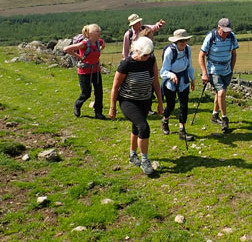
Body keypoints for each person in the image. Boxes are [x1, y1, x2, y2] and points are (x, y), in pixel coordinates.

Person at [109, 37, 164, 175]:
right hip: (128, 101)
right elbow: (115, 87)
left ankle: (132, 155)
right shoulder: (126, 64)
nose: (147, 57)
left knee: (137, 127)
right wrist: (112, 107)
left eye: (149, 54)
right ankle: (145, 161)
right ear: (136, 51)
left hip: (145, 100)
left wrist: (160, 103)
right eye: (144, 55)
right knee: (144, 127)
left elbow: (156, 82)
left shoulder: (151, 60)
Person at [198, 18, 239, 133]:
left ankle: (215, 115)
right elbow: (201, 55)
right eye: (224, 31)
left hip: (226, 70)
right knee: (221, 92)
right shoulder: (211, 37)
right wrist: (204, 73)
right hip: (214, 70)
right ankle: (225, 118)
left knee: (219, 93)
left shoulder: (232, 37)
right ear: (218, 28)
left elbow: (234, 53)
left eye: (228, 31)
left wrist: (231, 68)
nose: (226, 34)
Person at [63, 24, 106, 119]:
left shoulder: (99, 42)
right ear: (90, 33)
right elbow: (66, 49)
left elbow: (103, 45)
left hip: (96, 70)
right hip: (84, 72)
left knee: (99, 92)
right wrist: (79, 57)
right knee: (86, 93)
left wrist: (98, 51)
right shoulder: (84, 44)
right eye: (97, 31)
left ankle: (98, 112)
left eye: (99, 31)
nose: (99, 33)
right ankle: (77, 105)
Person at [160, 29, 196, 141]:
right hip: (171, 81)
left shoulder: (187, 50)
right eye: (181, 42)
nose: (184, 44)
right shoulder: (170, 52)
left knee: (184, 106)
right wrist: (171, 75)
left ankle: (182, 131)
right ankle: (165, 121)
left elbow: (189, 65)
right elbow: (163, 71)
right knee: (171, 106)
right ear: (176, 42)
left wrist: (192, 79)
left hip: (183, 80)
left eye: (185, 41)